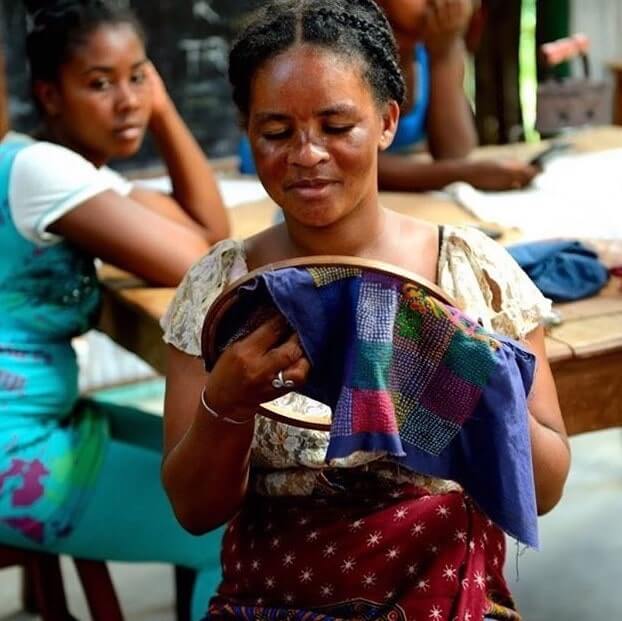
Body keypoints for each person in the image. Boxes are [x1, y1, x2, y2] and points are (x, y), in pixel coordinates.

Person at [161, 1, 571, 619]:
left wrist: (461, 378)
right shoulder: (222, 293)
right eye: (276, 132)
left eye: (336, 126)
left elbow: (544, 489)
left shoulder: (469, 274)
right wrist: (228, 403)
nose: (307, 153)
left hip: (444, 596)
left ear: (386, 121)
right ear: (248, 132)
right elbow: (194, 512)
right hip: (277, 599)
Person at [0, 1, 229, 617]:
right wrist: (157, 109)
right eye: (100, 83)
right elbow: (203, 263)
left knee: (224, 477)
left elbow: (212, 232)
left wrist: (165, 110)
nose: (127, 100)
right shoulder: (43, 171)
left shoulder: (61, 168)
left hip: (46, 418)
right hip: (12, 447)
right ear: (48, 94)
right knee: (228, 532)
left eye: (138, 76)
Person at [375, 0, 540, 192]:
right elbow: (357, 161)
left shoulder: (432, 43)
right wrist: (462, 174)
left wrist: (445, 53)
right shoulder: (348, 48)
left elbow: (455, 151)